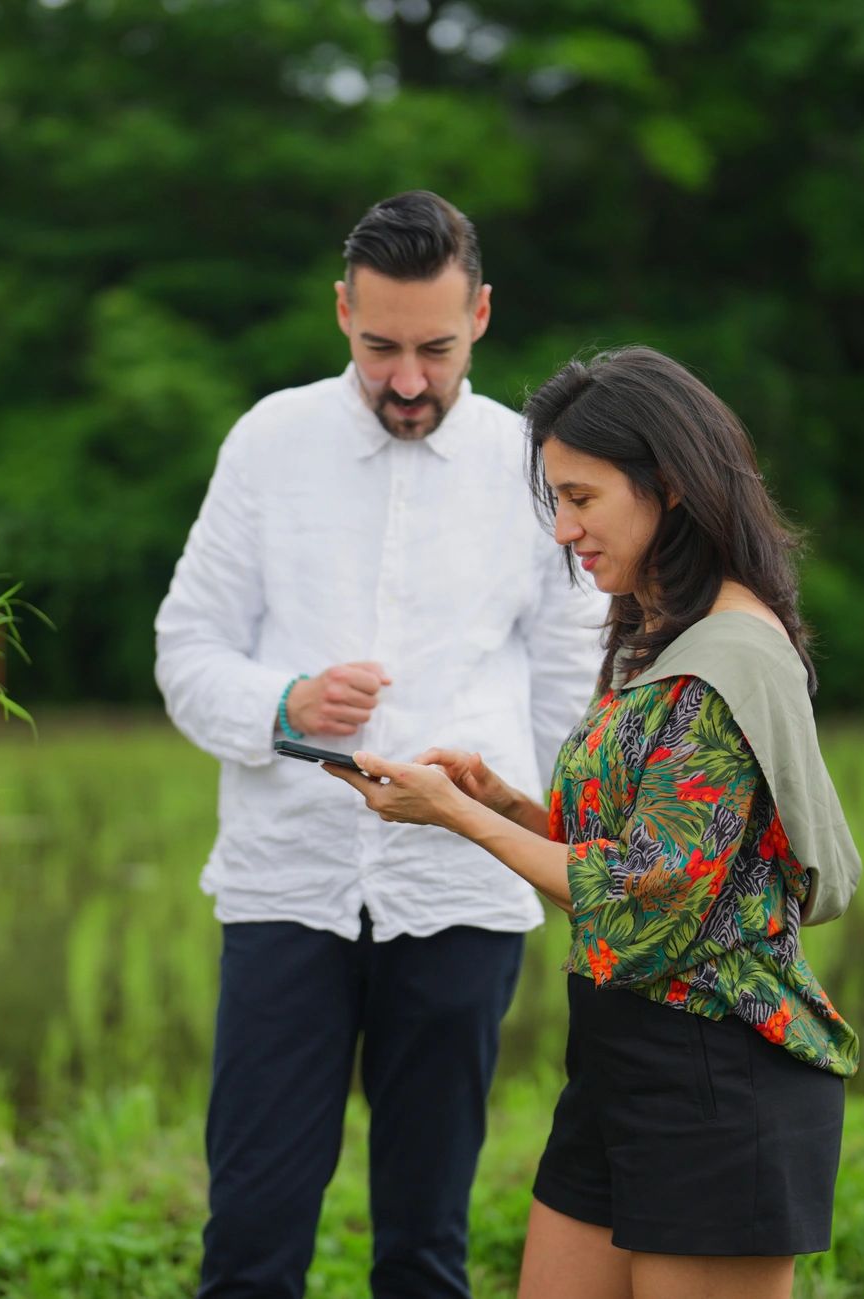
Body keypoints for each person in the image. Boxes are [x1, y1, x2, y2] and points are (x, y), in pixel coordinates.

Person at [335, 346, 862, 1299]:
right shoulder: (658, 637)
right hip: (619, 1059)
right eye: (556, 501)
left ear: (667, 485)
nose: (564, 529)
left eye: (582, 497)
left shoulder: (728, 660)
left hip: (714, 1069)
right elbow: (641, 848)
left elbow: (641, 905)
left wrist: (457, 817)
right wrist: (500, 800)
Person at [154, 190, 606, 1297]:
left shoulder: (532, 466)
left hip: (460, 896)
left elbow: (570, 691)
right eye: (379, 347)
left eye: (435, 349)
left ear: (483, 317)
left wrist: (570, 856)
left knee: (424, 1241)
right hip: (284, 888)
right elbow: (185, 651)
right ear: (340, 312)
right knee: (251, 1232)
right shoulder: (269, 442)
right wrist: (284, 704)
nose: (406, 380)